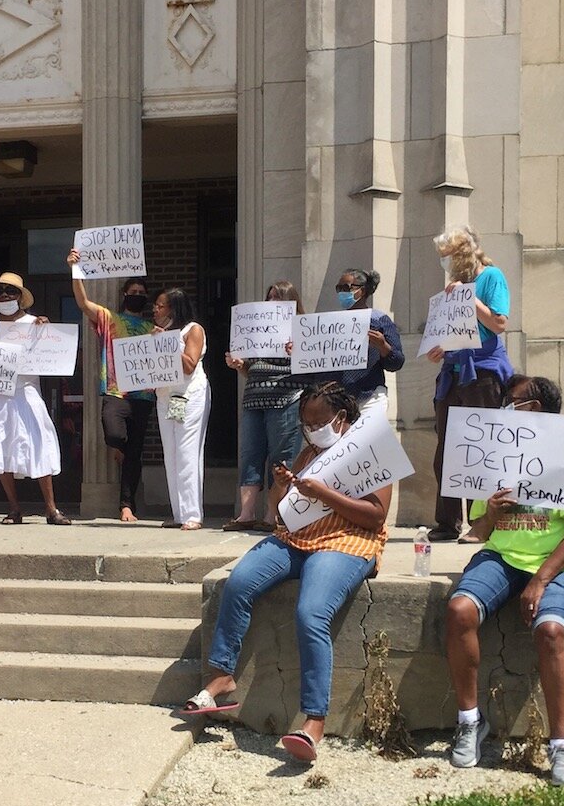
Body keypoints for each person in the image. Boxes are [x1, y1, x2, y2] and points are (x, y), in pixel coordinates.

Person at [177, 382, 390, 764]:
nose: (311, 428)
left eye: (319, 421)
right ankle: (222, 677)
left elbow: (376, 516)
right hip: (295, 539)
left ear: (342, 418)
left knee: (311, 613)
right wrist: (279, 489)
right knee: (239, 582)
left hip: (347, 543)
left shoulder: (372, 452)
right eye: (306, 422)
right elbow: (281, 513)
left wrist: (324, 494)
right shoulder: (307, 454)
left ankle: (314, 721)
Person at [444, 375, 564, 787]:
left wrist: (541, 580)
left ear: (537, 408)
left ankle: (561, 744)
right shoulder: (495, 454)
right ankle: (470, 721)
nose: (504, 407)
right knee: (459, 610)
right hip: (504, 554)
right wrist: (491, 511)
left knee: (550, 632)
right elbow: (480, 529)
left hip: (558, 562)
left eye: (512, 401)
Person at [427, 226, 513, 541]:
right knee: (447, 448)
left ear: (463, 253)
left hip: (483, 372)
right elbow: (456, 331)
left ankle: (482, 521)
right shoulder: (455, 286)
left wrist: (469, 298)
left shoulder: (491, 277)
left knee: (480, 449)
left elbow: (499, 323)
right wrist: (440, 347)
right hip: (453, 371)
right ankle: (448, 522)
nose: (445, 263)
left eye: (447, 256)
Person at [0, 271, 70, 526]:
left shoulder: (36, 323)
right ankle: (14, 508)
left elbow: (52, 353)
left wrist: (48, 332)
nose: (5, 295)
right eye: (0, 291)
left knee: (39, 444)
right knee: (1, 447)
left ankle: (51, 508)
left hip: (26, 392)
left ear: (20, 297)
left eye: (11, 291)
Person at [66, 250, 154, 522]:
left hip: (143, 395)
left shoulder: (153, 327)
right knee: (116, 435)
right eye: (133, 290)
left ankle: (127, 505)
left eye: (141, 291)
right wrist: (75, 269)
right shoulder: (109, 318)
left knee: (135, 453)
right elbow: (82, 303)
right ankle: (119, 449)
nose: (137, 294)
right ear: (125, 294)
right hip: (116, 391)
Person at [224, 280, 304, 532]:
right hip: (254, 398)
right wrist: (240, 365)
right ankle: (246, 513)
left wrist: (298, 352)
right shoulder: (257, 327)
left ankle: (273, 515)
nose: (272, 301)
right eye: (269, 296)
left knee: (281, 456)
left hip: (286, 398)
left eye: (278, 297)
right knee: (250, 453)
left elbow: (313, 367)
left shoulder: (302, 329)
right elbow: (253, 368)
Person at [152, 287, 210, 530]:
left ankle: (193, 515)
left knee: (187, 453)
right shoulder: (161, 332)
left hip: (189, 395)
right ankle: (179, 513)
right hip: (167, 397)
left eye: (160, 305)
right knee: (172, 454)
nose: (155, 309)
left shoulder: (192, 330)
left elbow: (188, 365)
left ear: (174, 308)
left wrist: (166, 344)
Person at [314, 268, 404, 412]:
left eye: (346, 288)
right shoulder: (330, 324)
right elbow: (318, 362)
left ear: (361, 291)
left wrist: (383, 346)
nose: (341, 293)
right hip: (337, 402)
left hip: (369, 398)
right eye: (339, 288)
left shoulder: (379, 320)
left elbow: (396, 363)